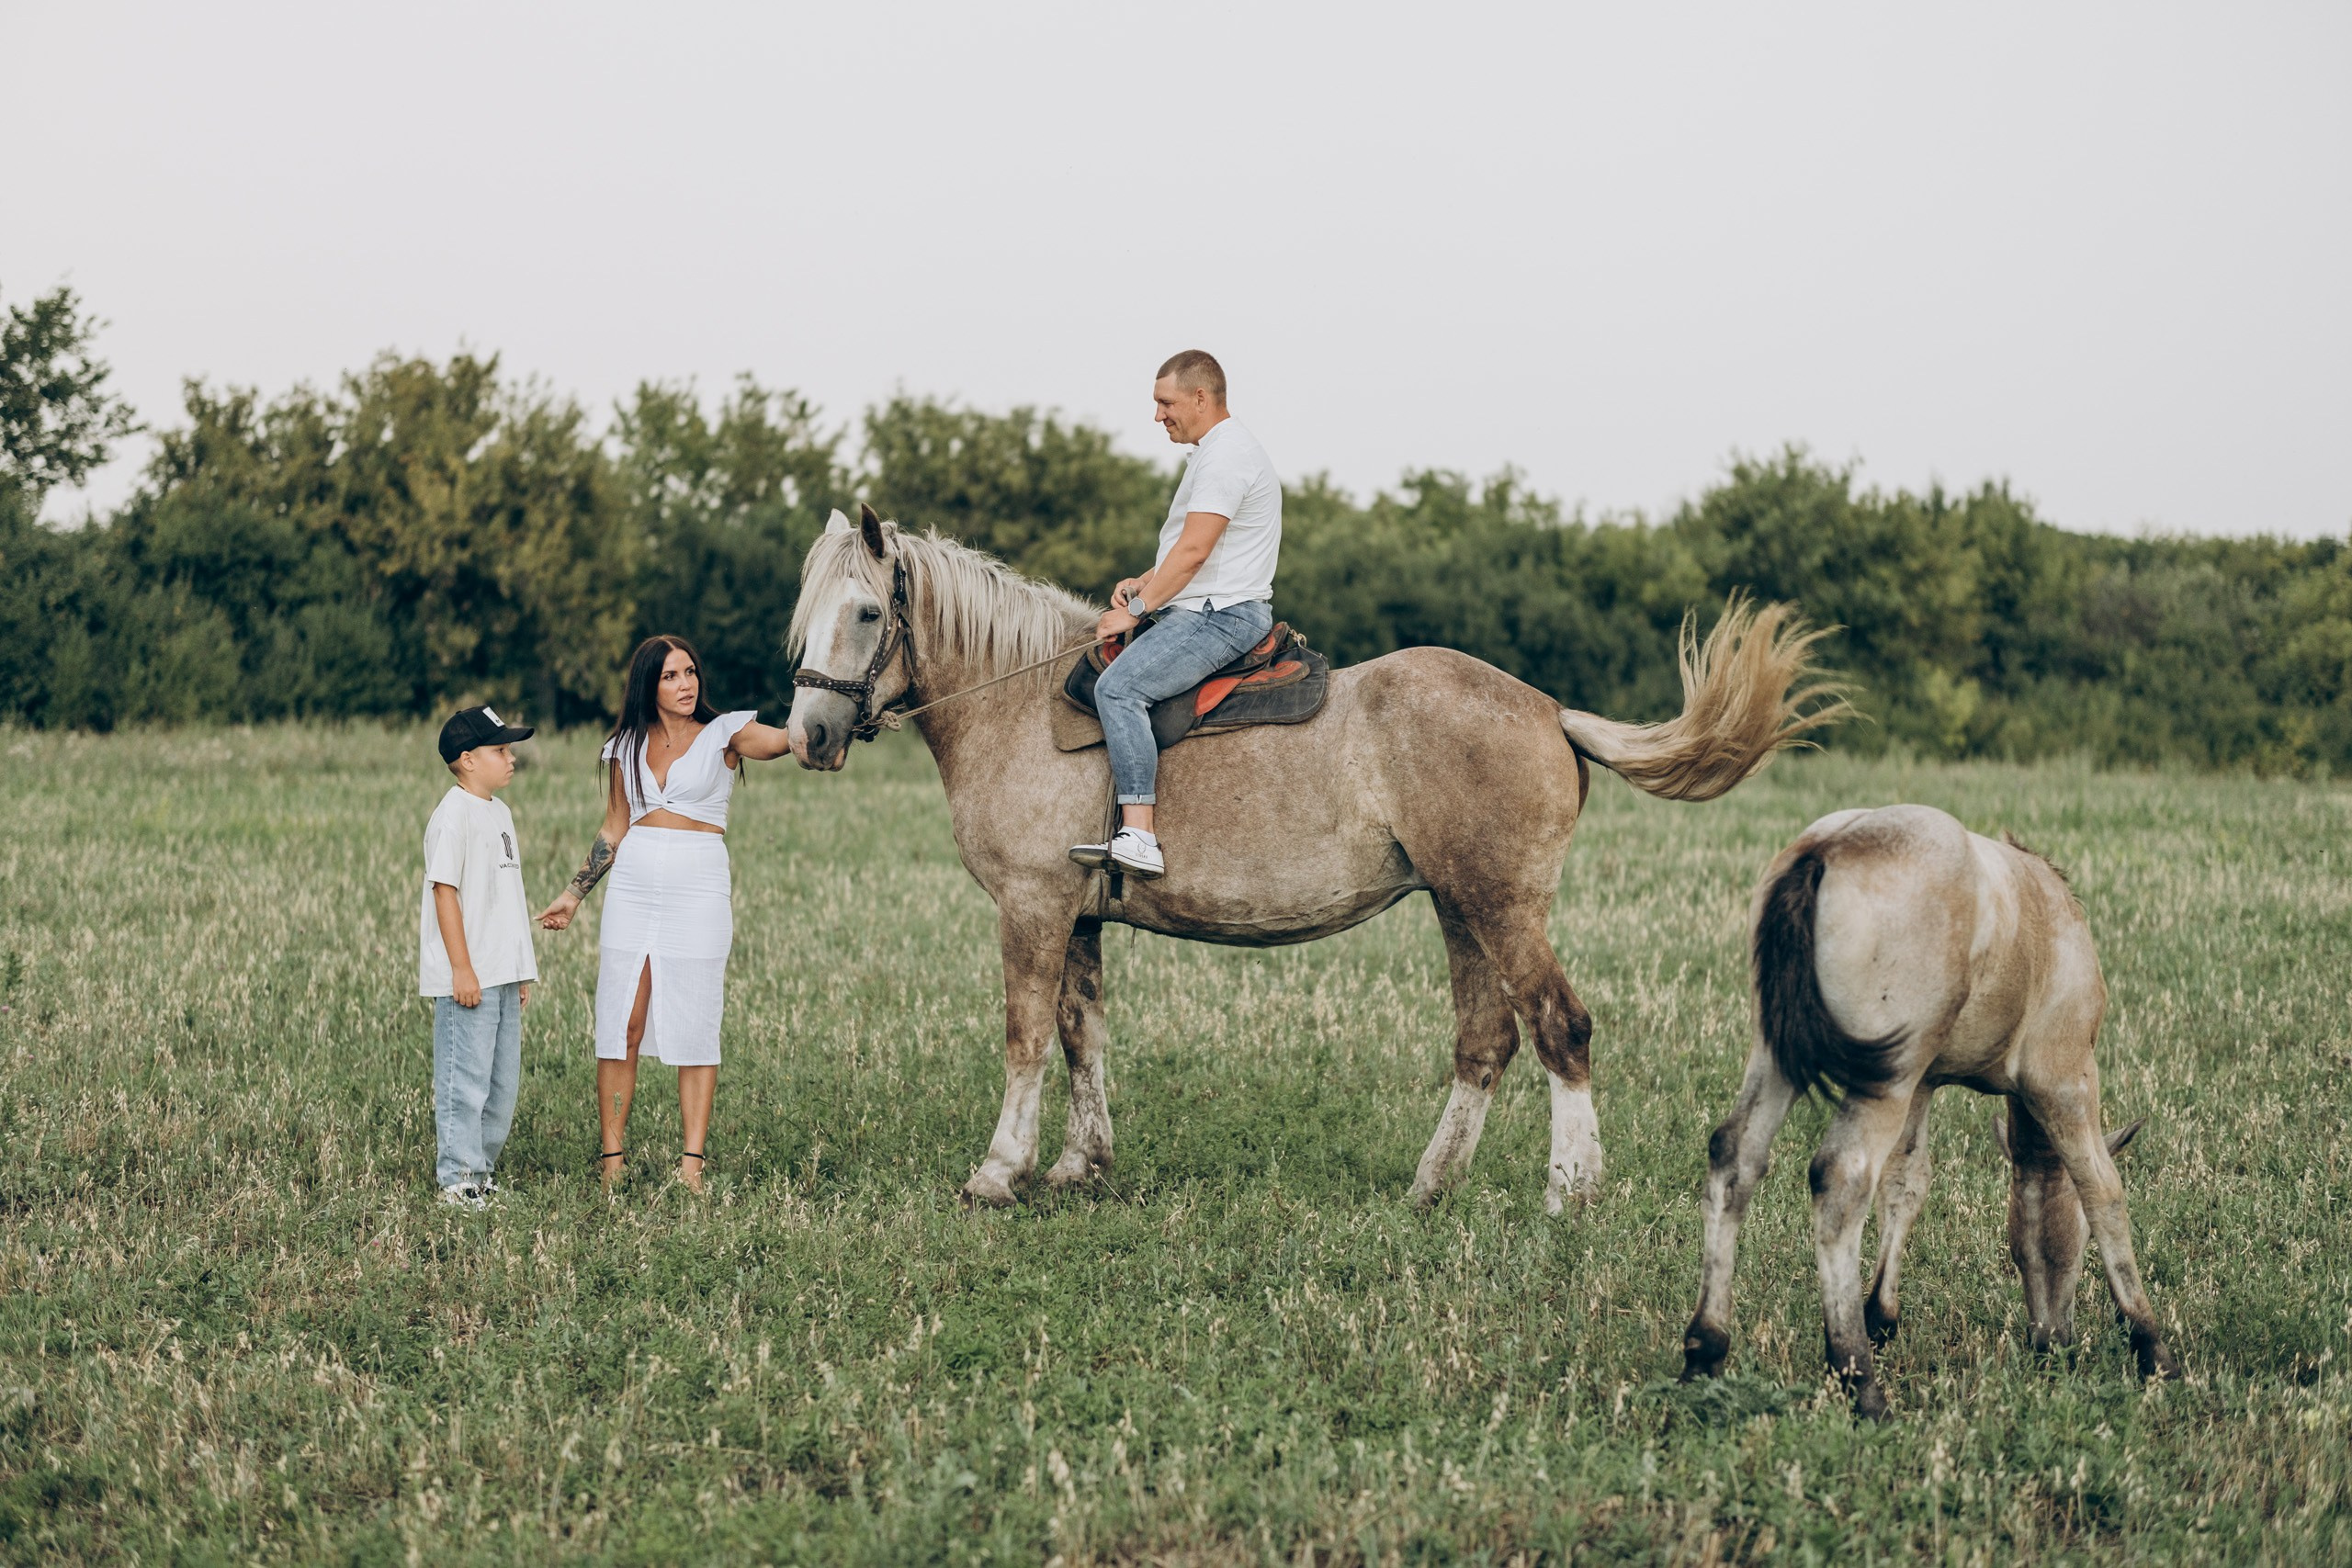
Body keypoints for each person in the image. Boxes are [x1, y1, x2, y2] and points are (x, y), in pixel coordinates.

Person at [537, 636, 793, 1192]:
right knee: (621, 1023)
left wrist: (827, 722)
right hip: (633, 887)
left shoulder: (725, 733)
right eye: (672, 676)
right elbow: (614, 826)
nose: (686, 684)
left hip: (698, 887)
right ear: (648, 686)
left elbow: (778, 743)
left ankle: (692, 1167)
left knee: (696, 1023)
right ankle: (612, 1163)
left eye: (691, 672)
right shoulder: (625, 745)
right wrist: (574, 893)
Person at [1070, 350, 1283, 878]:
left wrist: (1138, 610)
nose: (1158, 416)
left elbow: (1193, 555)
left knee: (1118, 689)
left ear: (1200, 398)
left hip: (1221, 616)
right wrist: (1145, 580)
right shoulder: (1218, 452)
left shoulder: (1227, 456)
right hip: (1208, 604)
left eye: (1166, 403)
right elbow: (1191, 549)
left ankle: (1140, 836)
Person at [419, 705, 540, 1209]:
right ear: (467, 760)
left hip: (502, 973)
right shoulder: (453, 816)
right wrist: (461, 968)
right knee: (463, 1080)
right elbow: (445, 892)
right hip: (468, 976)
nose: (510, 759)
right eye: (500, 750)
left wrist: (521, 971)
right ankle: (457, 1179)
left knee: (500, 1083)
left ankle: (481, 1173)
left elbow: (506, 899)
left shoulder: (500, 812)